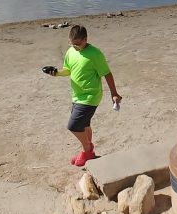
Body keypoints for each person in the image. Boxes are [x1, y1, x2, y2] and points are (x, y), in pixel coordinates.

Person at [43, 25, 121, 167]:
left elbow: (107, 73)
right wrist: (56, 73)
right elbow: (68, 69)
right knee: (85, 125)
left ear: (85, 39)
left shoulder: (95, 54)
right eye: (72, 44)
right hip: (77, 96)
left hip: (90, 96)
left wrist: (114, 93)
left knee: (73, 126)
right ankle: (87, 153)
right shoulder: (70, 51)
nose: (75, 47)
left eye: (78, 44)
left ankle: (87, 150)